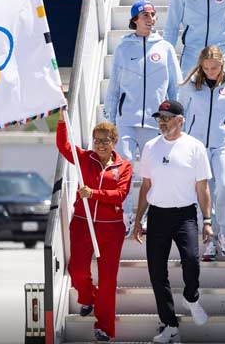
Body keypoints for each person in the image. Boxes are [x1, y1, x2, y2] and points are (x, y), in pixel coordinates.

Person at [131, 100, 213, 343]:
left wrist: (207, 220)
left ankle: (192, 297)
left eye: (167, 117)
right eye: (160, 117)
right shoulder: (150, 147)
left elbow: (203, 187)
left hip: (185, 215)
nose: (162, 121)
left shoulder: (195, 147)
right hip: (157, 216)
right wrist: (138, 221)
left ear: (180, 120)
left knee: (191, 261)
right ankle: (170, 325)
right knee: (157, 272)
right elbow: (146, 185)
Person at [105, 0, 182, 236]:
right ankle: (125, 214)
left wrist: (176, 119)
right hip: (127, 119)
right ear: (135, 20)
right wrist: (110, 120)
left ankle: (147, 216)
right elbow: (114, 88)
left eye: (153, 14)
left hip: (155, 122)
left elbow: (174, 88)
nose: (150, 19)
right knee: (125, 166)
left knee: (153, 171)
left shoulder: (165, 48)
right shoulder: (123, 48)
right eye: (145, 15)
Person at [56, 114, 133, 342]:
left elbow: (120, 194)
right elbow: (63, 145)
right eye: (97, 140)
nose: (100, 144)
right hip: (82, 222)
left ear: (114, 141)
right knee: (77, 270)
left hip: (111, 229)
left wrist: (94, 193)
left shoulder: (124, 166)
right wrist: (61, 121)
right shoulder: (84, 158)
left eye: (105, 140)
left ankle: (105, 328)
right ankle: (88, 297)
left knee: (108, 281)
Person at [178, 45, 225, 261]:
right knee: (201, 192)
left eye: (214, 68)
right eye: (206, 68)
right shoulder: (190, 86)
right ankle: (207, 240)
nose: (210, 72)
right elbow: (181, 116)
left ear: (222, 64)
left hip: (224, 145)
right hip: (196, 147)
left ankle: (224, 232)